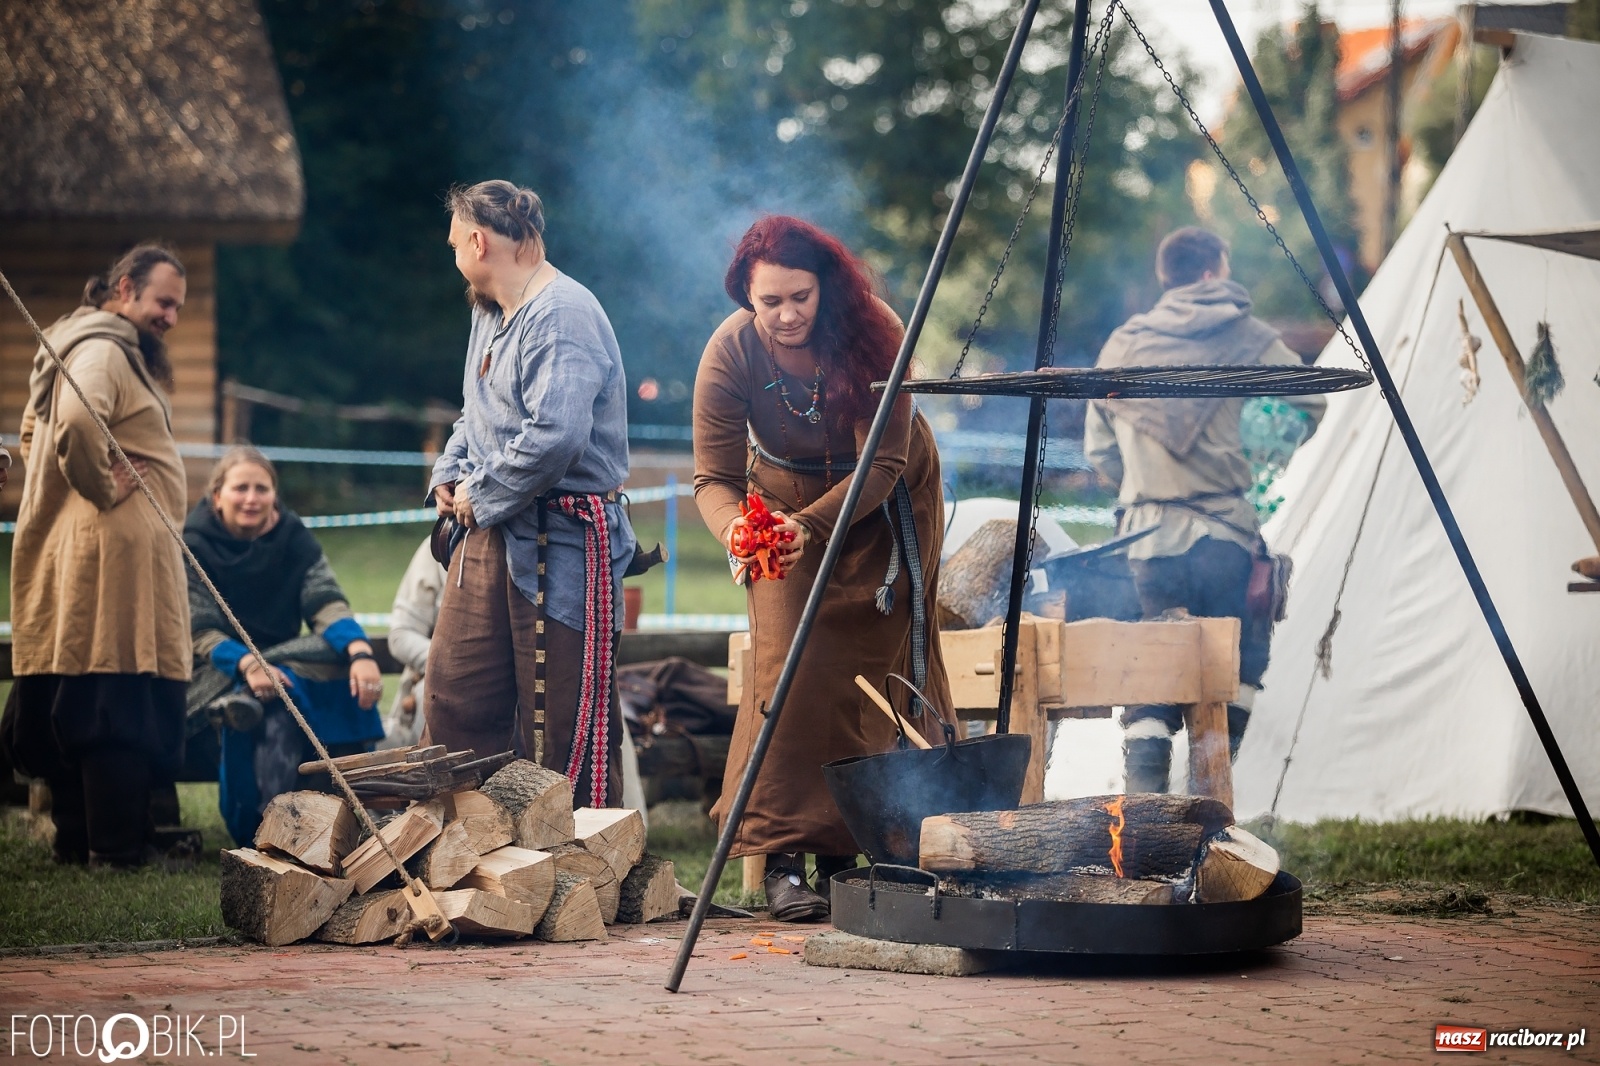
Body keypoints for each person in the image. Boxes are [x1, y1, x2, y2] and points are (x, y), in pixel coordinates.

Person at [693, 215, 951, 922]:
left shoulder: (875, 332)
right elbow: (711, 479)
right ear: (746, 296)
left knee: (871, 662)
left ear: (825, 287)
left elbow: (886, 461)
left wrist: (810, 526)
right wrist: (742, 531)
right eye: (767, 301)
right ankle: (780, 856)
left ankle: (848, 853)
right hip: (778, 508)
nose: (783, 315)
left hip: (883, 501)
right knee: (788, 665)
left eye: (798, 297)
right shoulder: (730, 351)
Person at [1083, 226, 1325, 793]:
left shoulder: (1125, 343)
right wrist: (1261, 450)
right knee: (1236, 670)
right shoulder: (1251, 335)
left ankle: (1145, 819)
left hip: (1145, 540)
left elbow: (1099, 446)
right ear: (1215, 270)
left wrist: (1142, 482)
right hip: (1224, 537)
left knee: (1152, 675)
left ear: (1167, 277)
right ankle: (1208, 810)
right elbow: (1308, 400)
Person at [425, 180, 636, 808]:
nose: (454, 254)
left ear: (479, 240)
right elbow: (477, 412)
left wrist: (479, 493)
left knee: (563, 718)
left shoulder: (562, 313)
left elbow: (555, 437)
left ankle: (585, 869)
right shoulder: (488, 309)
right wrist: (448, 471)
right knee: (456, 696)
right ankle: (470, 856)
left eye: (455, 242)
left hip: (563, 542)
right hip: (490, 533)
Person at [1, 244, 191, 867]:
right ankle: (114, 847)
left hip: (98, 552)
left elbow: (34, 435)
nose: (170, 317)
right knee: (114, 697)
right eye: (163, 302)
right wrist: (100, 488)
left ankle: (79, 841)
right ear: (124, 289)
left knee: (86, 691)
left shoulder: (86, 344)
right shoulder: (103, 348)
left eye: (177, 307)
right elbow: (79, 425)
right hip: (114, 559)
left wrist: (65, 488)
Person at [183, 447, 384, 844]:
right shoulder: (193, 545)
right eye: (241, 488)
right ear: (217, 495)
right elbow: (201, 632)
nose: (252, 498)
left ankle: (345, 814)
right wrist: (248, 666)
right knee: (271, 712)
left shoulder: (294, 539)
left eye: (262, 488)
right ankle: (264, 830)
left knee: (333, 668)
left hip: (287, 666)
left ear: (275, 494)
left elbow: (325, 601)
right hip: (217, 671)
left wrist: (360, 653)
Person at [378, 536, 447, 751]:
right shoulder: (439, 543)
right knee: (433, 697)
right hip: (437, 684)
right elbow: (401, 633)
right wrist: (449, 665)